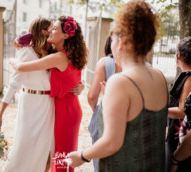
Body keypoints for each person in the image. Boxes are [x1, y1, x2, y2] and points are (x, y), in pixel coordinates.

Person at [67, 1, 168, 171]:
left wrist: (82, 156)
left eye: (112, 39)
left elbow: (112, 142)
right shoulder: (159, 77)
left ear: (120, 43)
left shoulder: (120, 82)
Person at [11, 16, 88, 172]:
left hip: (65, 110)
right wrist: (81, 86)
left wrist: (12, 61)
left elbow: (20, 67)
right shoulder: (67, 53)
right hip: (65, 107)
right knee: (58, 156)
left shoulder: (58, 57)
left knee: (61, 158)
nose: (51, 31)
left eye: (55, 29)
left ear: (66, 35)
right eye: (50, 28)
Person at [0, 18, 55, 172]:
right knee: (25, 145)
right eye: (50, 29)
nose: (52, 31)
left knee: (46, 148)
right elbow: (13, 84)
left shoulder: (52, 52)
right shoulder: (27, 52)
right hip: (30, 103)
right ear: (41, 31)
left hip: (49, 104)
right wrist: (0, 115)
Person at [87, 35, 122, 172]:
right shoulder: (147, 67)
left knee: (102, 163)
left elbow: (91, 96)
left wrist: (97, 110)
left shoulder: (105, 63)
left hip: (106, 118)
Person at [166, 36, 191, 172]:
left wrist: (161, 110)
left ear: (179, 55)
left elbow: (182, 112)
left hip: (179, 137)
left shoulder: (188, 78)